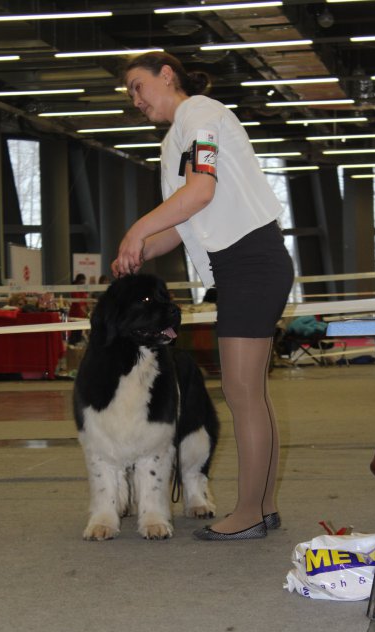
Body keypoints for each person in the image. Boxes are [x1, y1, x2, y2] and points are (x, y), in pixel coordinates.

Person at [112, 51, 294, 541]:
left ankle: (250, 511)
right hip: (242, 264)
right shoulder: (177, 137)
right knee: (252, 394)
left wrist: (136, 229)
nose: (134, 99)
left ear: (166, 75)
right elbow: (183, 223)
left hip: (251, 261)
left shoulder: (201, 114)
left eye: (136, 85)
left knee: (241, 394)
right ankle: (265, 506)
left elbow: (200, 192)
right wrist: (140, 249)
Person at [68, 273, 89, 346]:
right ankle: (71, 352)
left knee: (78, 336)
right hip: (75, 315)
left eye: (84, 283)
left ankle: (76, 353)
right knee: (74, 336)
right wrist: (86, 313)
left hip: (81, 316)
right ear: (77, 282)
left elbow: (85, 302)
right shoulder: (74, 290)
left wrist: (87, 312)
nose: (82, 284)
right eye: (81, 283)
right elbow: (79, 304)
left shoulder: (83, 290)